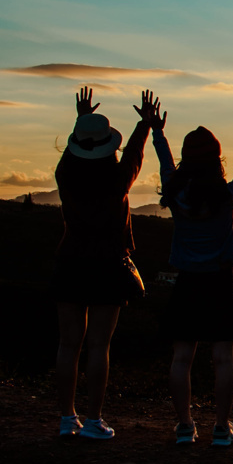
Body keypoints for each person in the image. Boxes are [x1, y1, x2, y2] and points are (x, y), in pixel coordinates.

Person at [154, 96, 233, 447]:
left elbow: (164, 161)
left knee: (182, 357)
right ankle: (222, 427)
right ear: (216, 159)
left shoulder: (176, 194)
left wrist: (157, 132)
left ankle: (185, 426)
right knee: (223, 358)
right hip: (221, 283)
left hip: (187, 281)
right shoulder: (225, 195)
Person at [53, 87, 155, 440]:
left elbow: (75, 153)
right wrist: (145, 123)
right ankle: (94, 419)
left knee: (68, 344)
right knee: (99, 345)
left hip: (70, 260)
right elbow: (136, 157)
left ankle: (67, 418)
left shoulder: (65, 175)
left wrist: (82, 120)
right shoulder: (116, 180)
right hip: (108, 264)